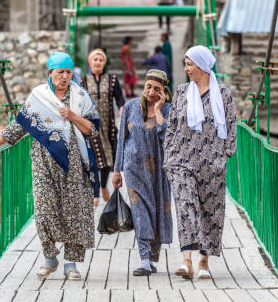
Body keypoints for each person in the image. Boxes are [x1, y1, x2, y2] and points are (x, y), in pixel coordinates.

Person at [0, 52, 100, 281]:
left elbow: (93, 129)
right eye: (60, 72)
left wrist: (71, 116)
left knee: (75, 211)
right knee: (43, 210)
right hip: (43, 165)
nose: (64, 76)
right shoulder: (38, 97)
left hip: (74, 166)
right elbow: (18, 128)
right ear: (49, 73)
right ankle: (50, 257)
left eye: (68, 72)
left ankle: (71, 263)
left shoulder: (81, 97)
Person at [162, 46, 237, 280]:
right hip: (181, 159)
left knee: (210, 210)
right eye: (185, 64)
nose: (186, 69)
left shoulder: (223, 93)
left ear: (203, 67)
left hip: (212, 161)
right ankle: (186, 261)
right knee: (185, 204)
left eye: (189, 64)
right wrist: (168, 151)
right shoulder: (181, 91)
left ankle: (203, 260)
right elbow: (173, 123)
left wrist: (227, 153)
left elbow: (232, 123)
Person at [113, 69, 173, 276]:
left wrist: (158, 110)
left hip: (159, 171)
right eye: (148, 86)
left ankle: (152, 258)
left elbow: (168, 138)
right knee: (140, 213)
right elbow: (122, 139)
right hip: (134, 168)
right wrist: (117, 169)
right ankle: (145, 260)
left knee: (157, 212)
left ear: (163, 91)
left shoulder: (168, 110)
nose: (151, 91)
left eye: (156, 89)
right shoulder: (130, 107)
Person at [81, 48, 126, 206]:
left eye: (100, 60)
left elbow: (120, 99)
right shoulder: (83, 81)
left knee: (107, 159)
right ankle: (95, 192)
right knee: (92, 159)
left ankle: (102, 185)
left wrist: (122, 109)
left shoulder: (112, 80)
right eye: (95, 60)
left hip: (108, 126)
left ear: (104, 62)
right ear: (90, 62)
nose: (98, 62)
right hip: (89, 125)